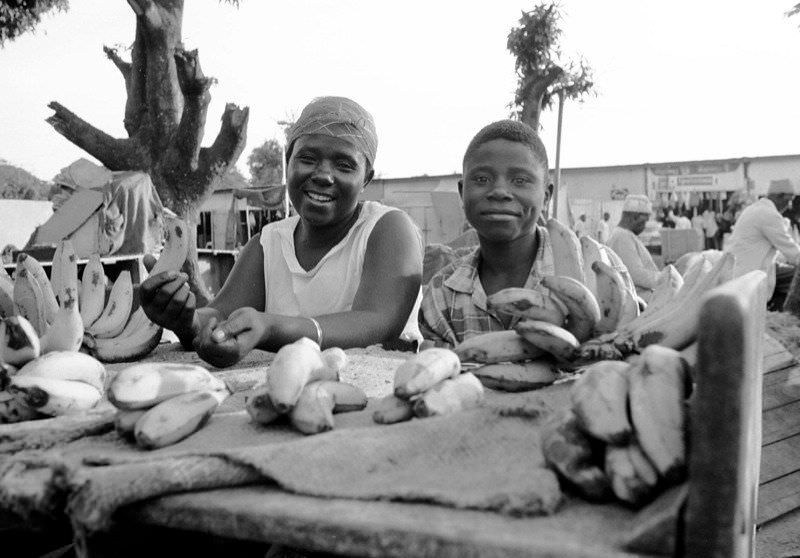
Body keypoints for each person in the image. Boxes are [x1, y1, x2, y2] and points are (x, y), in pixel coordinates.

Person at [140, 96, 424, 367]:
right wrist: (185, 319)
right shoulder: (268, 243)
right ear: (288, 161)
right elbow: (219, 317)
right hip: (283, 397)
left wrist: (270, 327)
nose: (323, 175)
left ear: (366, 178)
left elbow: (376, 322)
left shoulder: (387, 229)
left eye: (344, 165)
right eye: (308, 158)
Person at [418, 119, 555, 347]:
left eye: (520, 180)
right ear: (462, 192)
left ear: (547, 195)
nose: (500, 191)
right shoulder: (442, 293)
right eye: (482, 179)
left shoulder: (593, 272)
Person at [724, 179, 800, 311]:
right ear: (778, 196)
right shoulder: (769, 214)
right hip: (751, 276)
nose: (789, 206)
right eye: (789, 200)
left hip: (745, 271)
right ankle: (789, 317)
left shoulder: (755, 209)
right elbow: (794, 254)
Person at [606, 195, 660, 302]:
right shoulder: (622, 237)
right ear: (634, 217)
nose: (644, 226)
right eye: (644, 221)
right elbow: (635, 274)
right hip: (639, 303)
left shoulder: (625, 235)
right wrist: (664, 279)